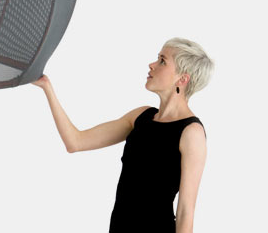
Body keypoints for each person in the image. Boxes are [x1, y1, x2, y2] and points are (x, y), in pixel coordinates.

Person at [32, 37, 214, 233]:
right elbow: (75, 142)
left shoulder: (191, 132)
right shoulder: (141, 116)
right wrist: (47, 87)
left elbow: (186, 211)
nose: (152, 64)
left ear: (182, 79)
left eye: (162, 61)